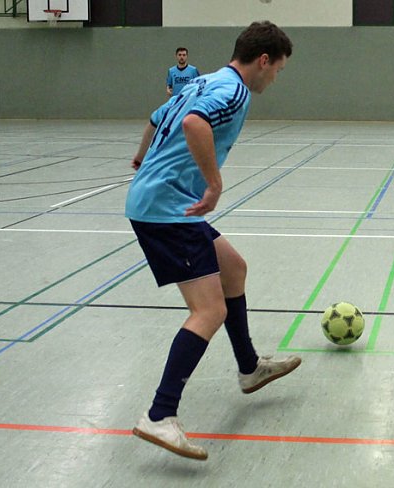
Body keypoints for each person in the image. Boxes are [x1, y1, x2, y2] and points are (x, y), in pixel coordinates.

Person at [126, 21, 298, 461]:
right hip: (167, 210)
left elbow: (156, 117)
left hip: (163, 200)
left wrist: (144, 156)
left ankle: (248, 367)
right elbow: (193, 123)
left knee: (234, 268)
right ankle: (160, 415)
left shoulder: (204, 79)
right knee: (208, 310)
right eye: (277, 70)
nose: (275, 79)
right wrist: (214, 184)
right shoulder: (234, 90)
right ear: (263, 61)